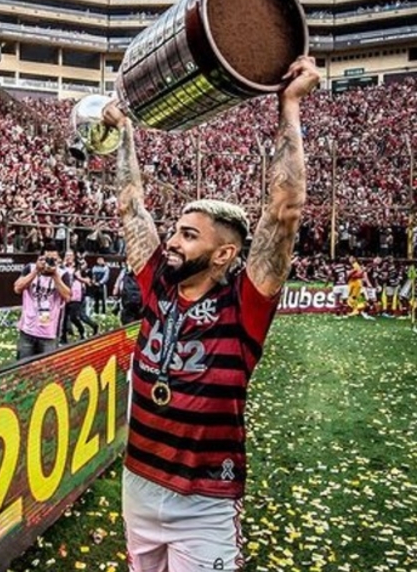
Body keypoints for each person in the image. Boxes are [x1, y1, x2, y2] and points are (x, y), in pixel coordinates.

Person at [104, 56, 320, 571]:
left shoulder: (243, 307)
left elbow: (283, 212)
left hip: (204, 500)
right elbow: (132, 207)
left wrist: (287, 106)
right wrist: (127, 134)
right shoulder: (158, 283)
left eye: (188, 235)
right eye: (176, 230)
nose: (171, 242)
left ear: (224, 254)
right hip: (138, 481)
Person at [14, 242, 72, 359]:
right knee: (23, 369)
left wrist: (55, 275)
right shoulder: (30, 268)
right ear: (40, 258)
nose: (49, 262)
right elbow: (17, 288)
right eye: (47, 259)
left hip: (49, 332)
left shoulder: (63, 274)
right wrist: (36, 271)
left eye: (53, 260)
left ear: (59, 260)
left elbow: (67, 297)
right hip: (27, 329)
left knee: (46, 371)